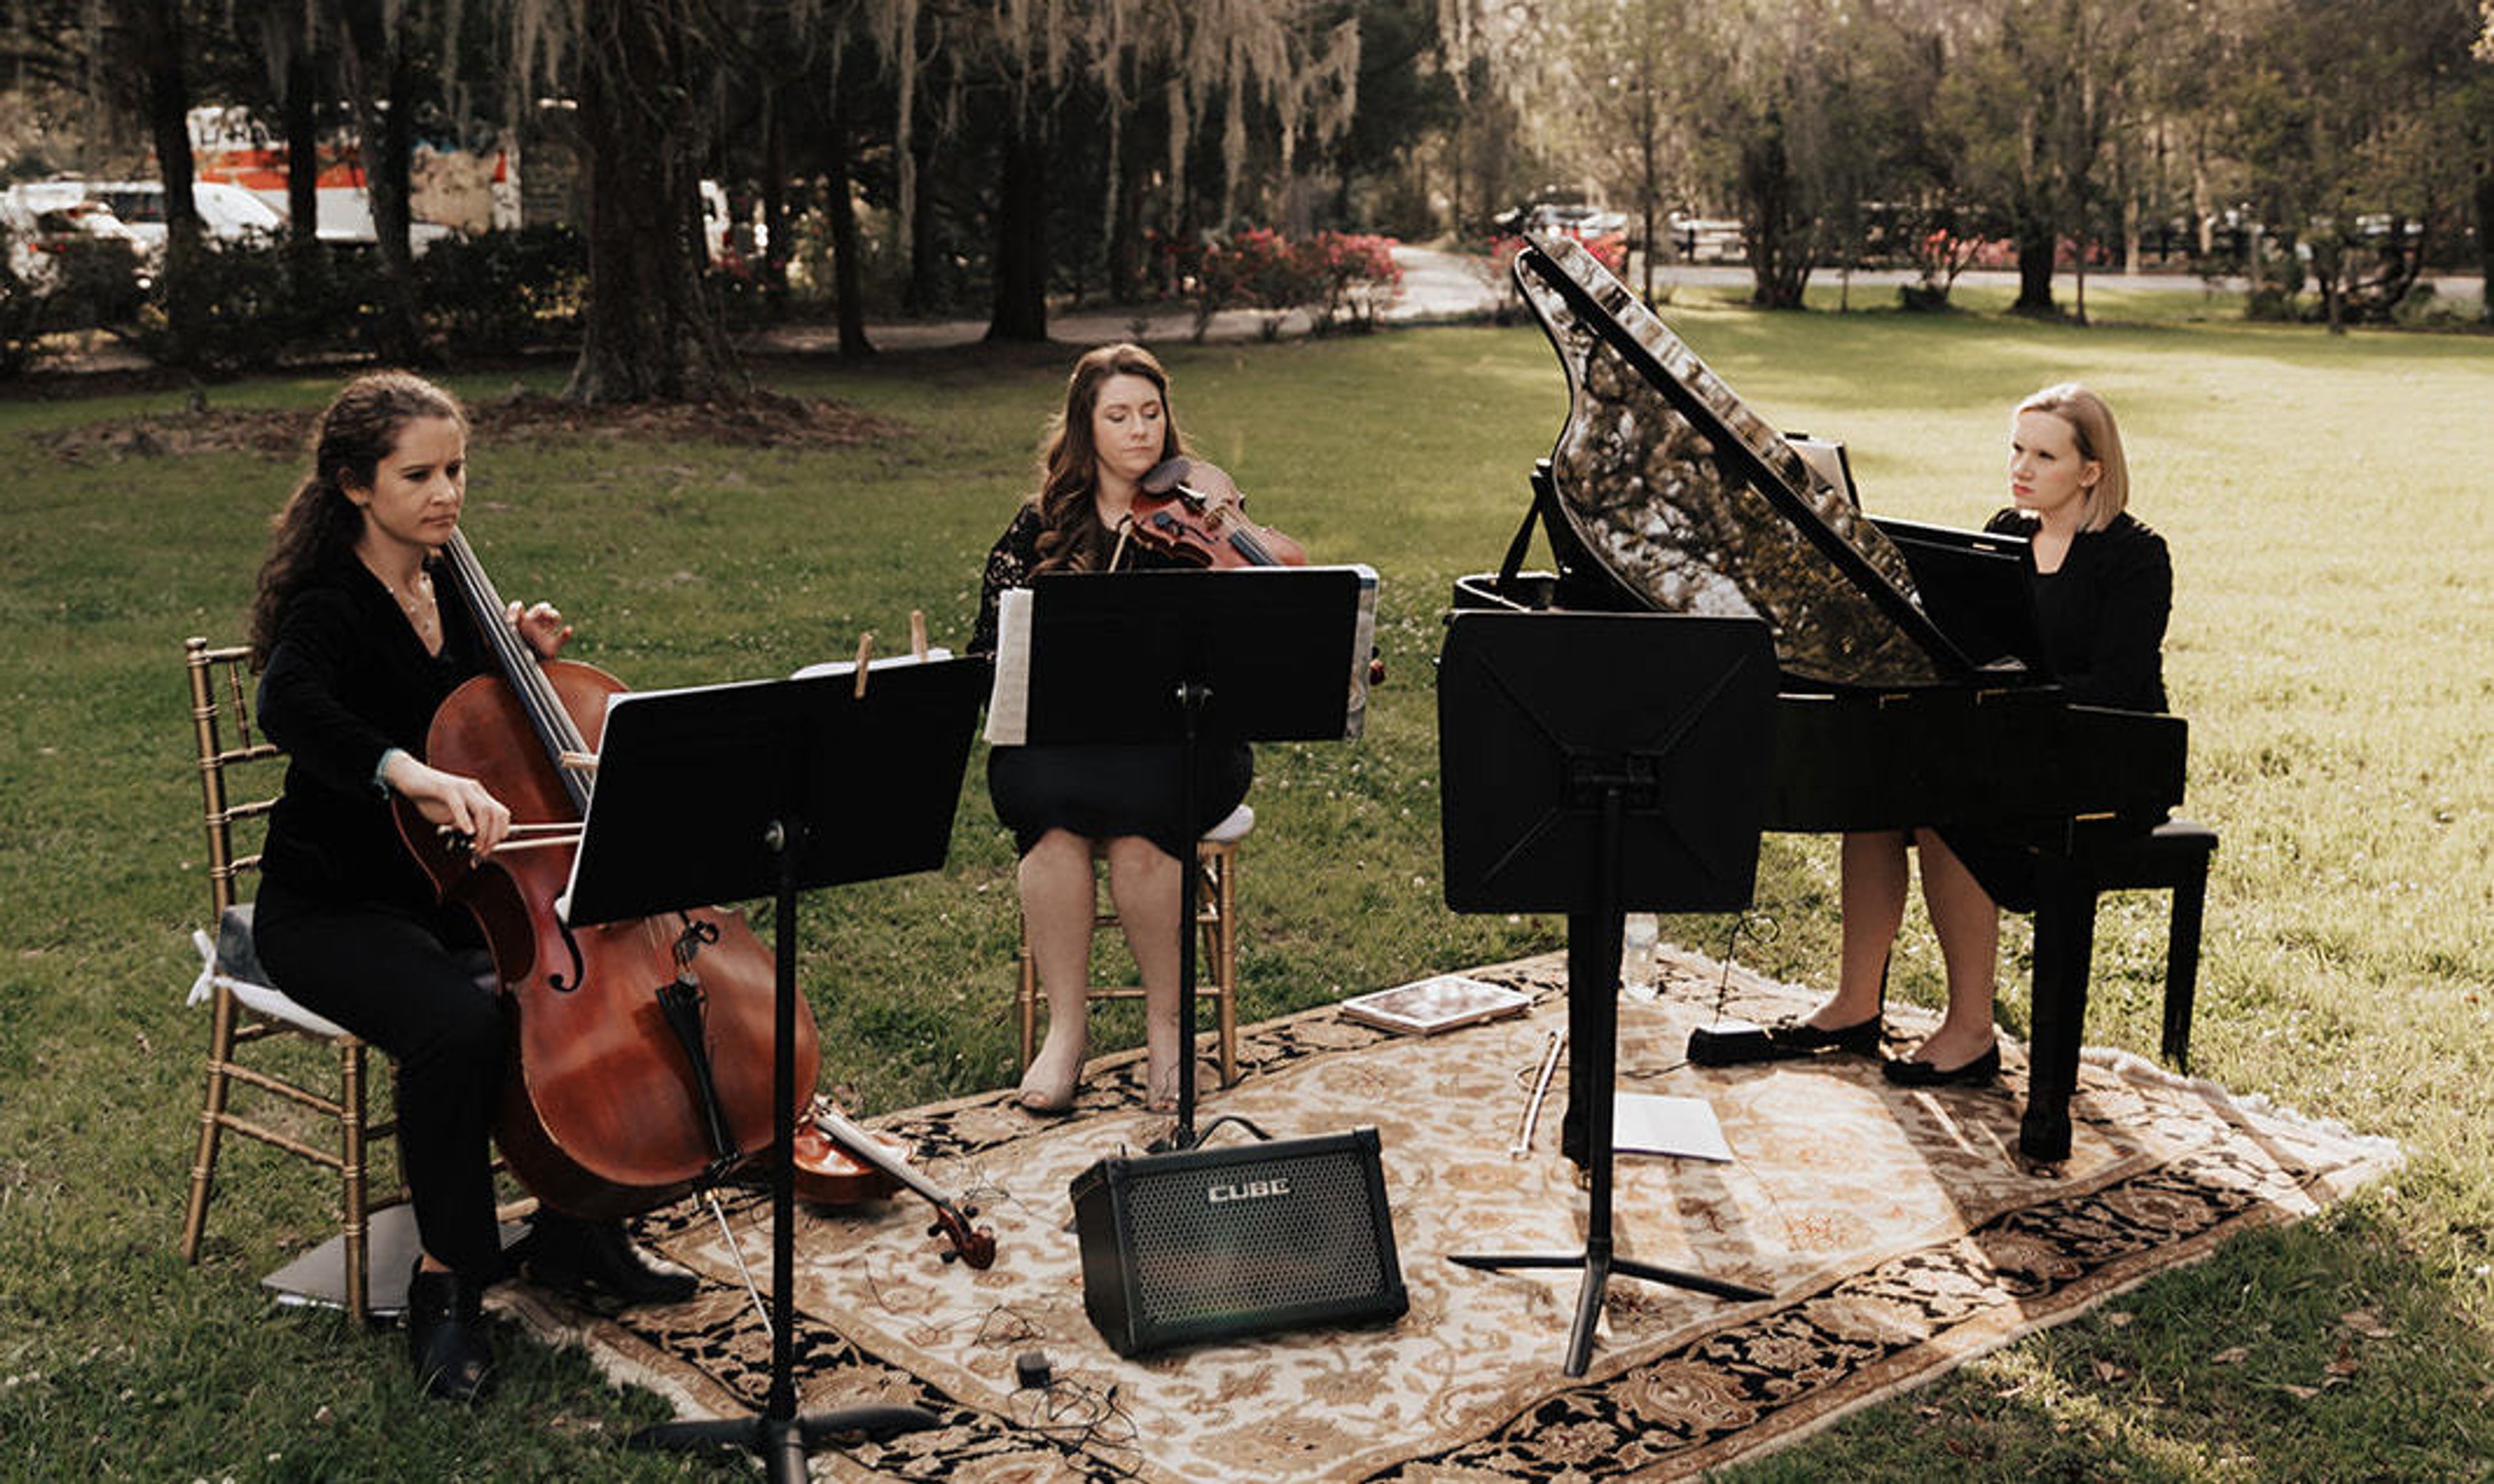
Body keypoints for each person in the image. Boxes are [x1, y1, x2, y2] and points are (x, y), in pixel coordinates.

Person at [247, 371, 696, 1403]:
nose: (446, 492)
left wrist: (516, 657)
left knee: (562, 995)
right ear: (356, 484)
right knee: (460, 1026)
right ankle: (448, 1282)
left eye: (456, 469)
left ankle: (578, 1230)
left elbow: (474, 714)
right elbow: (291, 703)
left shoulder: (453, 586)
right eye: (420, 474)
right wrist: (408, 769)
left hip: (455, 894)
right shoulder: (329, 605)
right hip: (333, 909)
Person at [1763, 383, 2172, 1086]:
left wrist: (2007, 691)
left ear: (2091, 470)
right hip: (2007, 740)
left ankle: (1970, 1028)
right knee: (1877, 800)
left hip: (2107, 757)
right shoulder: (2006, 534)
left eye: (2045, 454)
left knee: (1947, 804)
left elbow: (2116, 683)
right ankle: (1854, 1002)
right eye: (2017, 448)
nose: (2022, 467)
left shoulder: (2135, 556)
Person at [969, 344, 1255, 1114]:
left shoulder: (1203, 516)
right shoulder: (1041, 526)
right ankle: (1068, 1031)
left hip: (1182, 738)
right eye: (1118, 415)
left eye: (1151, 413)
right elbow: (988, 647)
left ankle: (1167, 1031)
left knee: (1138, 830)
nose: (1140, 431)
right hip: (1064, 740)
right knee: (1052, 823)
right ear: (1084, 426)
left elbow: (1262, 628)